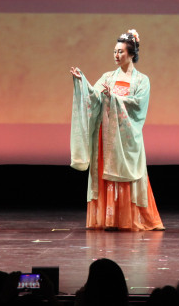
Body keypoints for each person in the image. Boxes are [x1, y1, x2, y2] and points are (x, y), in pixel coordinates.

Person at [70, 29, 164, 230]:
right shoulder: (107, 77)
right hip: (107, 136)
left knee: (127, 173)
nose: (116, 55)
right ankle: (109, 219)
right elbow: (94, 97)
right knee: (106, 173)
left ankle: (129, 218)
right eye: (115, 51)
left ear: (131, 54)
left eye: (121, 52)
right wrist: (82, 82)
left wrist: (113, 98)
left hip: (126, 137)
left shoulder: (141, 80)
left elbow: (138, 105)